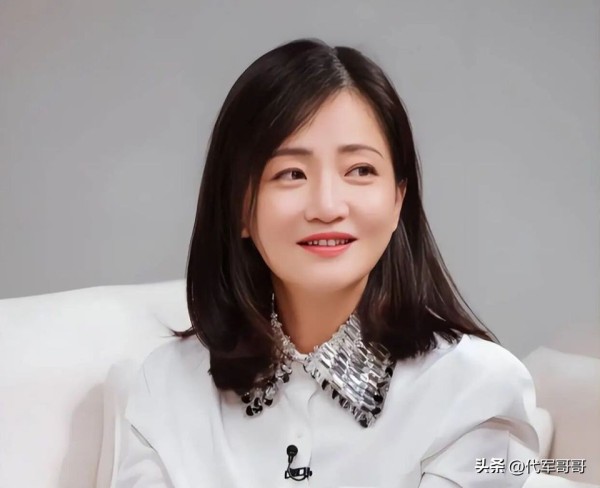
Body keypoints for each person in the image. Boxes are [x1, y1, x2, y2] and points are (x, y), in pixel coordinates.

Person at [115, 38, 539, 487]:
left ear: (398, 199)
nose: (327, 206)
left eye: (360, 170)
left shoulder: (475, 391)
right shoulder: (167, 386)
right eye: (291, 174)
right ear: (239, 208)